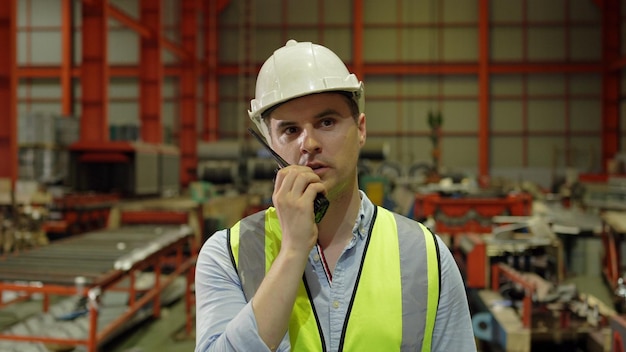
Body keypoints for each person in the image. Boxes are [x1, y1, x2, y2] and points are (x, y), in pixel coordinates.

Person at [195, 39, 476, 352]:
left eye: (326, 122)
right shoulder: (228, 257)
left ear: (361, 130)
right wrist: (292, 251)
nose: (309, 143)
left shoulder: (425, 256)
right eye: (289, 130)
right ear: (271, 145)